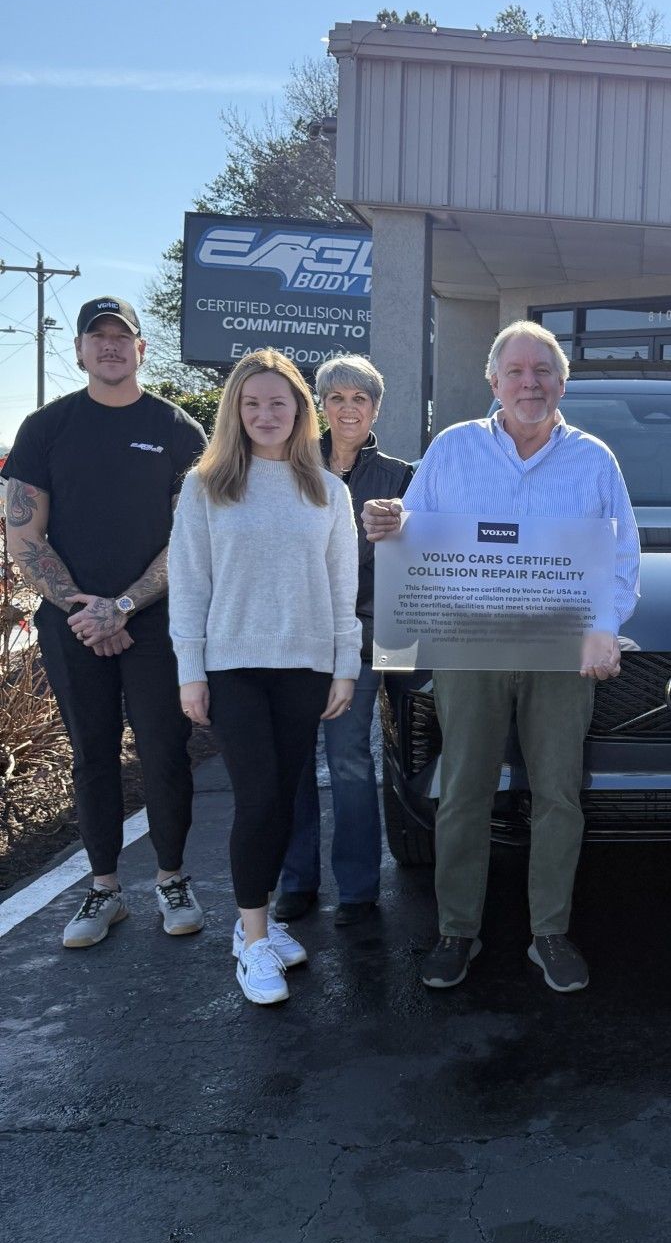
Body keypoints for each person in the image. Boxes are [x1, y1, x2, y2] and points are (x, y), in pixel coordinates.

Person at [363, 320, 639, 996]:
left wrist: (606, 626)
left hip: (560, 655)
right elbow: (412, 535)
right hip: (470, 649)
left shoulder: (595, 459)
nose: (529, 383)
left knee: (559, 798)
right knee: (462, 794)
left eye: (542, 371)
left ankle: (550, 933)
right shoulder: (452, 450)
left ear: (562, 382)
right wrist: (387, 525)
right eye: (515, 371)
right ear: (493, 382)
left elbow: (624, 554)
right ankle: (458, 930)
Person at [3, 297, 207, 947]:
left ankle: (172, 880)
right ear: (81, 350)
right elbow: (23, 533)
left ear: (143, 349)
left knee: (164, 753)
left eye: (124, 337)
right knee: (91, 758)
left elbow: (190, 537)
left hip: (156, 625)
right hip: (72, 625)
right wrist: (85, 609)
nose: (112, 346)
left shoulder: (180, 429)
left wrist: (122, 606)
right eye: (100, 337)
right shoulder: (46, 428)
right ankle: (104, 890)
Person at [168, 350, 360, 1006]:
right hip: (233, 668)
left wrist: (345, 666)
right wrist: (190, 672)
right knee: (256, 799)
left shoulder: (328, 490)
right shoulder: (206, 485)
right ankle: (252, 941)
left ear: (301, 411)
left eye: (279, 403)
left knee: (284, 797)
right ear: (234, 411)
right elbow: (189, 587)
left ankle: (263, 917)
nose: (265, 414)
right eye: (252, 403)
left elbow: (342, 589)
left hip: (304, 667)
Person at [273, 356, 412, 928]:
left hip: (366, 638)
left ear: (376, 408)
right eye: (337, 398)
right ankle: (295, 882)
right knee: (293, 763)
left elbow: (432, 543)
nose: (348, 408)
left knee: (350, 758)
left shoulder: (403, 476)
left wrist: (407, 518)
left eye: (360, 398)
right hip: (296, 635)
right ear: (321, 408)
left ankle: (357, 889)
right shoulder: (288, 466)